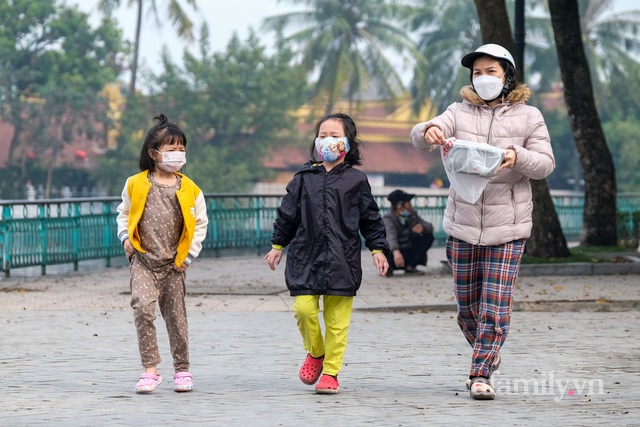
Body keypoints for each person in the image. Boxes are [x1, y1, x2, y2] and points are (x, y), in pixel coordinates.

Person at [410, 44, 555, 400]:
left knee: (494, 303)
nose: (484, 78)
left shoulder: (530, 116)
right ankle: (487, 348)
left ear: (508, 76)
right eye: (477, 72)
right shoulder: (457, 111)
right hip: (463, 224)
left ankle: (480, 373)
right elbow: (422, 135)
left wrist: (515, 155)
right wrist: (427, 130)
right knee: (466, 308)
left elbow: (545, 163)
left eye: (492, 71)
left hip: (509, 227)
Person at [264, 113, 390, 395]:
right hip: (305, 257)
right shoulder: (303, 178)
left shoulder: (357, 180)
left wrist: (377, 248)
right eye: (322, 135)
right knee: (303, 309)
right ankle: (316, 352)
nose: (327, 140)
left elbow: (370, 218)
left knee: (337, 323)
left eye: (334, 135)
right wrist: (277, 245)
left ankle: (331, 373)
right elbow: (287, 215)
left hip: (342, 259)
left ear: (347, 142)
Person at [116, 114, 208, 394]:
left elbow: (201, 224)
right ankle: (150, 370)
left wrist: (189, 256)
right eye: (171, 149)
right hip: (143, 261)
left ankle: (182, 369)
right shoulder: (135, 183)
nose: (177, 154)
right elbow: (122, 214)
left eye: (181, 148)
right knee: (142, 309)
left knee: (176, 317)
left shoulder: (190, 189)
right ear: (154, 153)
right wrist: (125, 240)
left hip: (174, 264)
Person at [382, 189, 434, 277]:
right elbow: (391, 237)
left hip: (408, 251)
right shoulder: (388, 218)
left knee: (428, 237)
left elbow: (430, 226)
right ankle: (387, 268)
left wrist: (422, 227)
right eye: (408, 203)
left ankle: (410, 267)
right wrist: (396, 252)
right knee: (384, 246)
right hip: (394, 255)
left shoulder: (412, 215)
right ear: (400, 207)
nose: (411, 206)